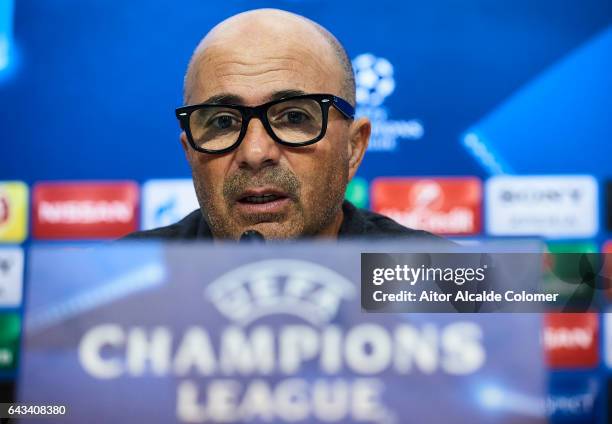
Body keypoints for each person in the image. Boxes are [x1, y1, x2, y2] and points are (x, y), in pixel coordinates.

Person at [127, 9, 440, 242]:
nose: (254, 152)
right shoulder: (118, 290)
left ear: (353, 147)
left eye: (294, 117)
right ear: (190, 151)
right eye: (223, 122)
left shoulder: (441, 284)